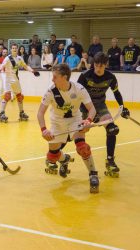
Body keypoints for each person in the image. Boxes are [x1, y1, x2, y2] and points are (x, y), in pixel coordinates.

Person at [37, 63, 99, 193]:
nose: (52, 80)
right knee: (52, 156)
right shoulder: (51, 91)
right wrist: (44, 130)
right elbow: (40, 113)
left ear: (64, 77)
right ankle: (64, 160)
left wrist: (88, 121)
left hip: (75, 120)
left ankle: (93, 174)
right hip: (57, 123)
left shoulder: (79, 89)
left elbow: (92, 109)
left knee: (82, 147)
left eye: (55, 77)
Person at [77, 52, 130, 177]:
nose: (98, 68)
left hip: (100, 107)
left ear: (106, 65)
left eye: (101, 65)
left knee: (112, 129)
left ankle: (110, 160)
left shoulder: (110, 77)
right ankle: (58, 154)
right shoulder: (85, 76)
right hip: (85, 108)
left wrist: (122, 107)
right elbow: (76, 95)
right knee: (75, 135)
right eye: (96, 65)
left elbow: (116, 93)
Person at [0, 43, 39, 123]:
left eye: (15, 48)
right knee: (7, 95)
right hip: (8, 78)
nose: (14, 49)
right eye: (13, 48)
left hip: (15, 78)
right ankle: (1, 114)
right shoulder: (7, 58)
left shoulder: (20, 58)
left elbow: (25, 66)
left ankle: (21, 113)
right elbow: (2, 66)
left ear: (17, 49)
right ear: (11, 50)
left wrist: (33, 71)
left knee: (19, 96)